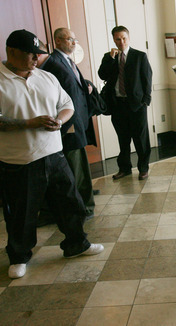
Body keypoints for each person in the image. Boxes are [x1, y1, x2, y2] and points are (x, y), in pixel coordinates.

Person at [0, 29, 104, 279]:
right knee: (22, 213)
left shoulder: (46, 77)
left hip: (54, 155)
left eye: (37, 54)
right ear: (11, 52)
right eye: (30, 54)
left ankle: (77, 244)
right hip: (19, 161)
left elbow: (66, 105)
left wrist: (59, 120)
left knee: (70, 203)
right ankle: (19, 256)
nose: (35, 59)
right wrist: (28, 124)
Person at [40, 27, 97, 222]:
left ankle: (85, 204)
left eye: (75, 39)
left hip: (78, 121)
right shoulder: (53, 64)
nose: (74, 43)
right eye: (69, 39)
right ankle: (84, 208)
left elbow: (74, 87)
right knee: (77, 168)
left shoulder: (67, 61)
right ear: (57, 41)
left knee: (79, 166)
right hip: (69, 125)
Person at [98, 25, 152, 180]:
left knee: (141, 139)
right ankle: (124, 168)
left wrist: (145, 101)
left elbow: (147, 78)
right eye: (117, 39)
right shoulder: (109, 57)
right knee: (123, 139)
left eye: (124, 38)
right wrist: (110, 58)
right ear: (113, 40)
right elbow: (102, 75)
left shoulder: (139, 56)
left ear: (128, 38)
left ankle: (143, 168)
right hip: (117, 105)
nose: (121, 41)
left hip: (137, 104)